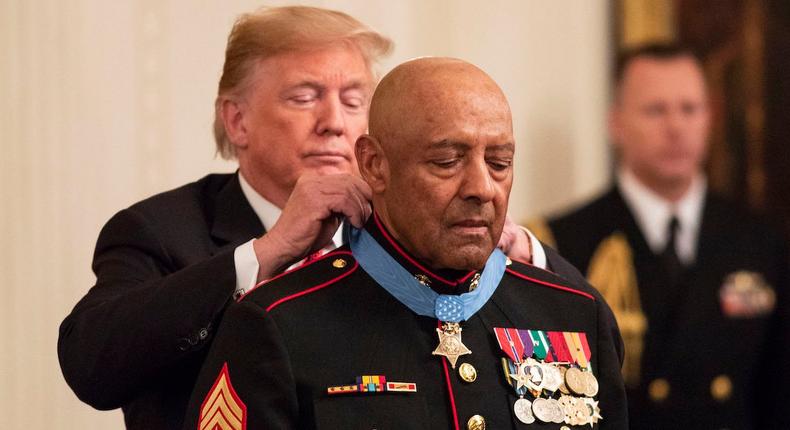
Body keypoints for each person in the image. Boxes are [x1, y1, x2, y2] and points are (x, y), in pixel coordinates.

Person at [57, 6, 539, 429]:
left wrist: (525, 256)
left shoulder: (408, 221)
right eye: (305, 97)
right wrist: (266, 253)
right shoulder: (161, 230)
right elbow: (91, 365)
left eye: (354, 101)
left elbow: (580, 332)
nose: (335, 122)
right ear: (237, 120)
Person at [180, 57, 628, 430]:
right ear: (374, 165)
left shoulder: (573, 313)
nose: (482, 188)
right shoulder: (278, 325)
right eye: (447, 161)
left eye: (499, 162)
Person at [532, 44, 790, 429]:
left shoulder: (760, 242)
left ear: (710, 118)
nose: (675, 126)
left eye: (689, 109)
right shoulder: (561, 242)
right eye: (655, 110)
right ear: (616, 123)